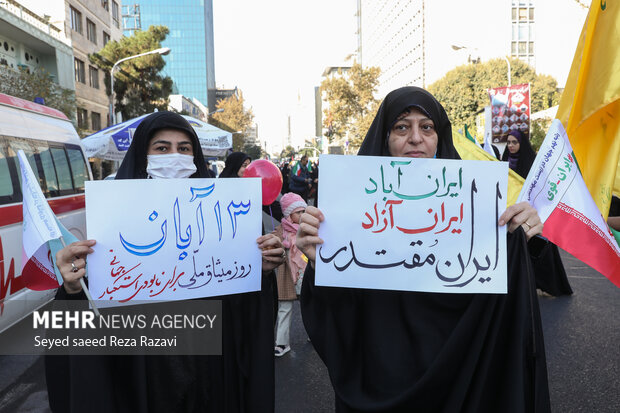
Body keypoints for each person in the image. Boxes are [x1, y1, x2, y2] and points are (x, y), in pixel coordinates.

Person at [296, 87, 551, 412]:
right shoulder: (347, 214)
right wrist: (320, 266)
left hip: (464, 376)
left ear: (439, 136)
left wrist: (522, 237)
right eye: (402, 127)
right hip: (380, 379)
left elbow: (505, 298)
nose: (416, 138)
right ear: (385, 138)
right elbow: (340, 313)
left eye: (426, 127)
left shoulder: (479, 207)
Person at [48, 111, 284, 412]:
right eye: (162, 148)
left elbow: (241, 308)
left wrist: (259, 270)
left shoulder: (223, 217)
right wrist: (73, 289)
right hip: (142, 371)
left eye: (184, 149)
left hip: (211, 371)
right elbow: (91, 308)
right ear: (142, 155)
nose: (175, 156)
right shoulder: (110, 223)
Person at [503, 130, 573, 296]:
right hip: (511, 216)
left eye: (514, 142)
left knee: (539, 250)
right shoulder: (503, 161)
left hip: (532, 215)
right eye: (509, 142)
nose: (511, 146)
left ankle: (549, 285)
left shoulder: (531, 163)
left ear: (521, 144)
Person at [272, 192, 308, 357]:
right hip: (287, 275)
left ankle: (314, 333)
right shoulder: (280, 230)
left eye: (303, 211)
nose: (301, 215)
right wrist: (277, 242)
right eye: (298, 212)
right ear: (288, 214)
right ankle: (281, 343)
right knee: (284, 308)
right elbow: (272, 246)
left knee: (308, 307)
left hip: (305, 275)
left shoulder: (307, 228)